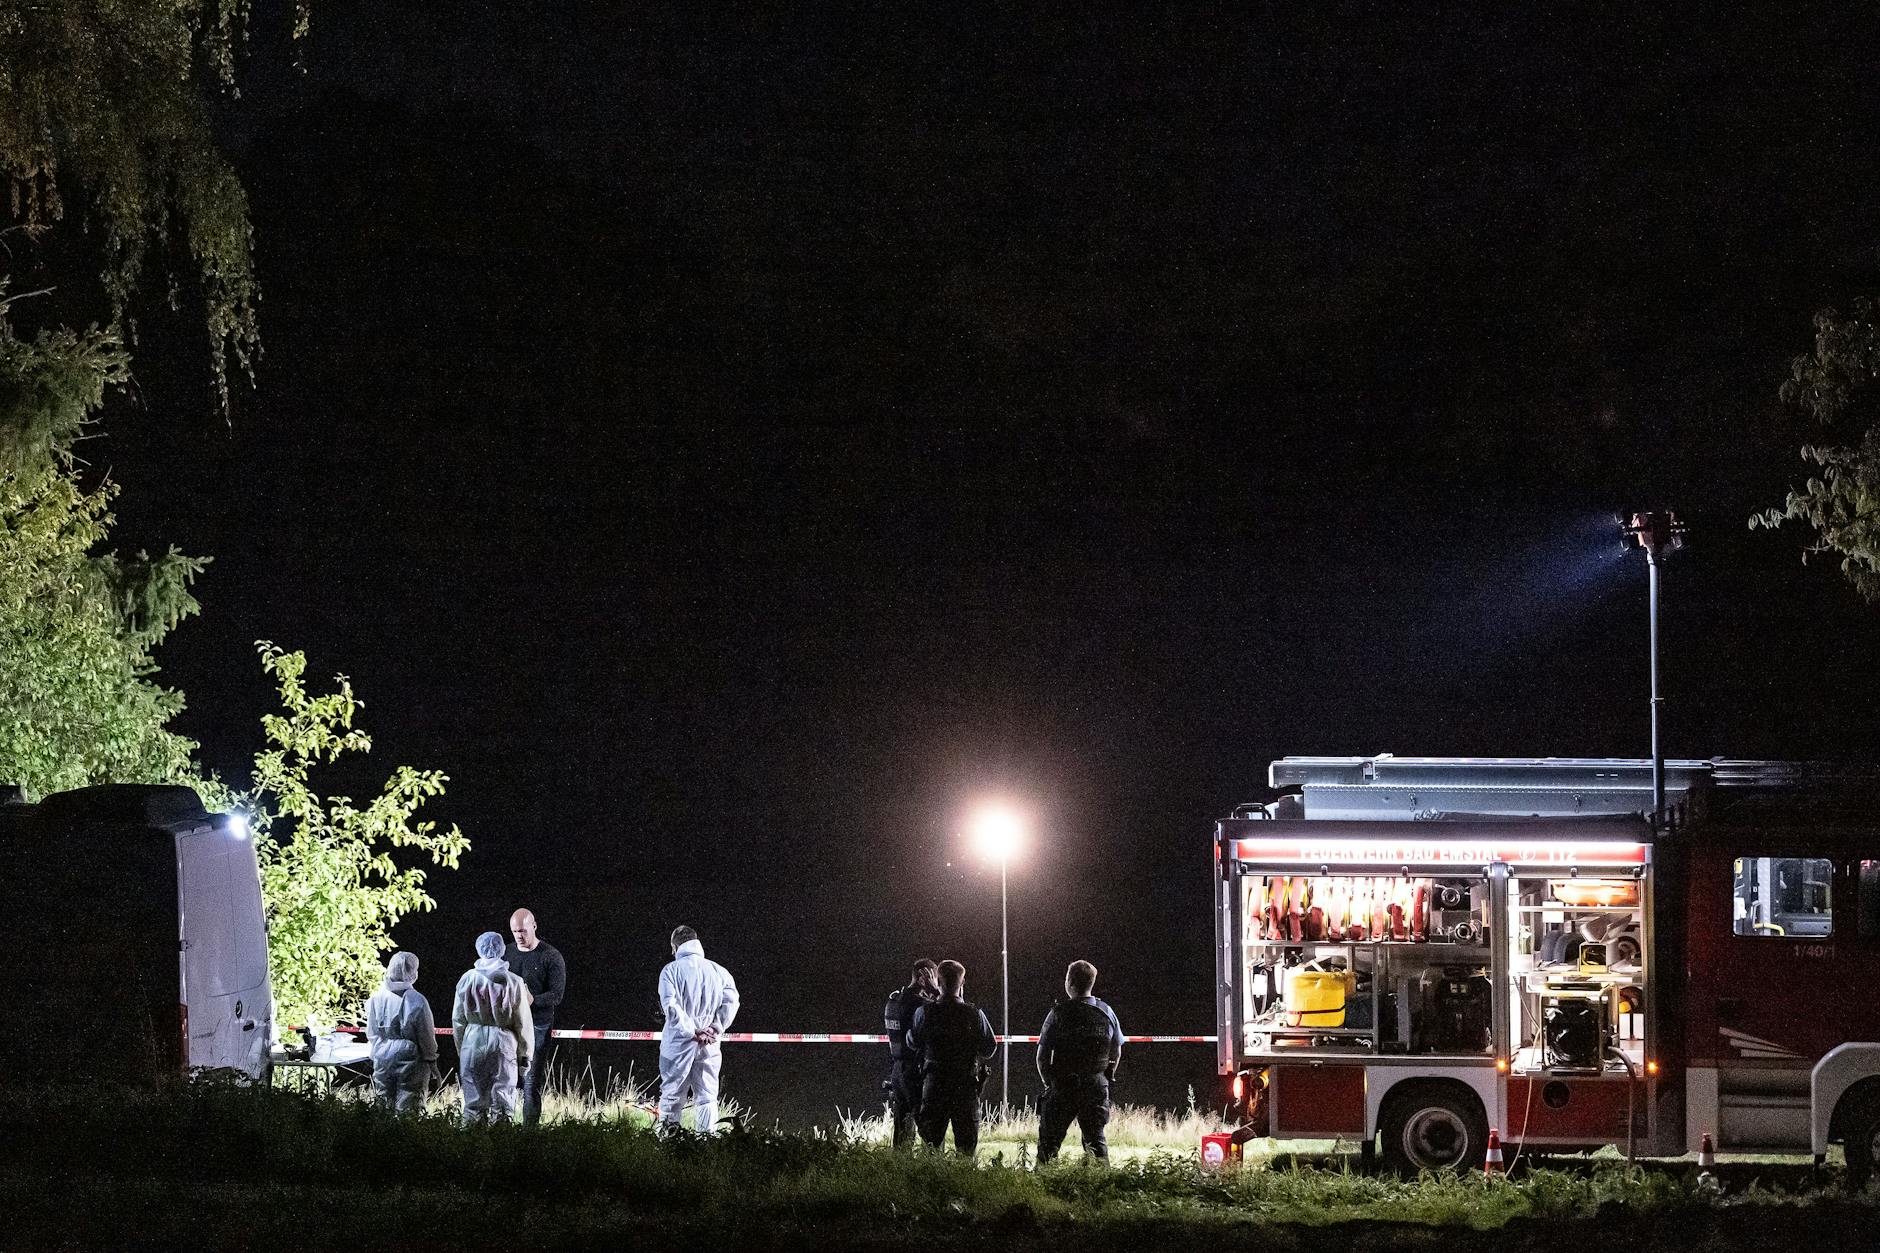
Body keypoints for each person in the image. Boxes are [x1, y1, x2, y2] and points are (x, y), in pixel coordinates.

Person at [1034, 959, 1124, 1164]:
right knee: (1096, 1144)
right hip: (1095, 1086)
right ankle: (1103, 1185)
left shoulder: (1058, 1013)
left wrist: (1050, 1084)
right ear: (1091, 983)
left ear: (1070, 983)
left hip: (1063, 1086)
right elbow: (1116, 1051)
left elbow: (1041, 1057)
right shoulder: (1107, 1012)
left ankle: (1042, 1187)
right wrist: (1107, 1075)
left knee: (1048, 1146)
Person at [907, 960, 997, 1154]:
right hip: (965, 1086)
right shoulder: (975, 1014)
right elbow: (989, 1049)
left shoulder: (924, 1012)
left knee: (931, 1148)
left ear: (937, 981)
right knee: (966, 1151)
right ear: (962, 983)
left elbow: (912, 1042)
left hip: (934, 1085)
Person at [657, 925, 740, 1133]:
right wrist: (714, 1029)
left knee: (672, 1095)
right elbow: (732, 1003)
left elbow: (671, 1006)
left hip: (678, 1042)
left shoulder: (671, 970)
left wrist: (692, 1030)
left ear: (675, 946)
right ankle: (706, 1145)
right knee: (707, 1096)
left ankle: (668, 1144)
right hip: (709, 1044)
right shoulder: (719, 971)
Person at [452, 930, 534, 1126]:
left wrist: (461, 1048)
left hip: (473, 1041)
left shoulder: (467, 979)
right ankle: (501, 1149)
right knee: (503, 1100)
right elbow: (522, 1020)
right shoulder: (513, 981)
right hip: (503, 1041)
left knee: (473, 1102)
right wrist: (525, 1054)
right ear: (502, 950)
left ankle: (470, 1146)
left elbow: (458, 1019)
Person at [505, 907, 566, 1126]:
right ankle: (503, 1129)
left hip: (537, 1026)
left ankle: (529, 1136)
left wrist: (533, 1000)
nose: (519, 935)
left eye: (522, 930)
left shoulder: (551, 956)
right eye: (514, 931)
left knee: (530, 1084)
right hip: (509, 1026)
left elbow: (557, 995)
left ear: (534, 926)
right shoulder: (506, 953)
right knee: (506, 1080)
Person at [364, 951, 439, 1113]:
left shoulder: (376, 998)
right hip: (411, 1057)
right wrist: (431, 1059)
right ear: (413, 972)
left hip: (382, 1055)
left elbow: (371, 1032)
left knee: (383, 1104)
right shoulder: (417, 1000)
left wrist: (377, 1052)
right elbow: (426, 1035)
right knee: (410, 1107)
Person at [881, 959, 939, 1148]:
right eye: (934, 978)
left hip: (897, 1070)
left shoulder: (894, 1000)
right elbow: (940, 1013)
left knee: (902, 1131)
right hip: (914, 1071)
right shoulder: (919, 1004)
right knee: (928, 1130)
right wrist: (936, 991)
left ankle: (898, 1170)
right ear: (925, 977)